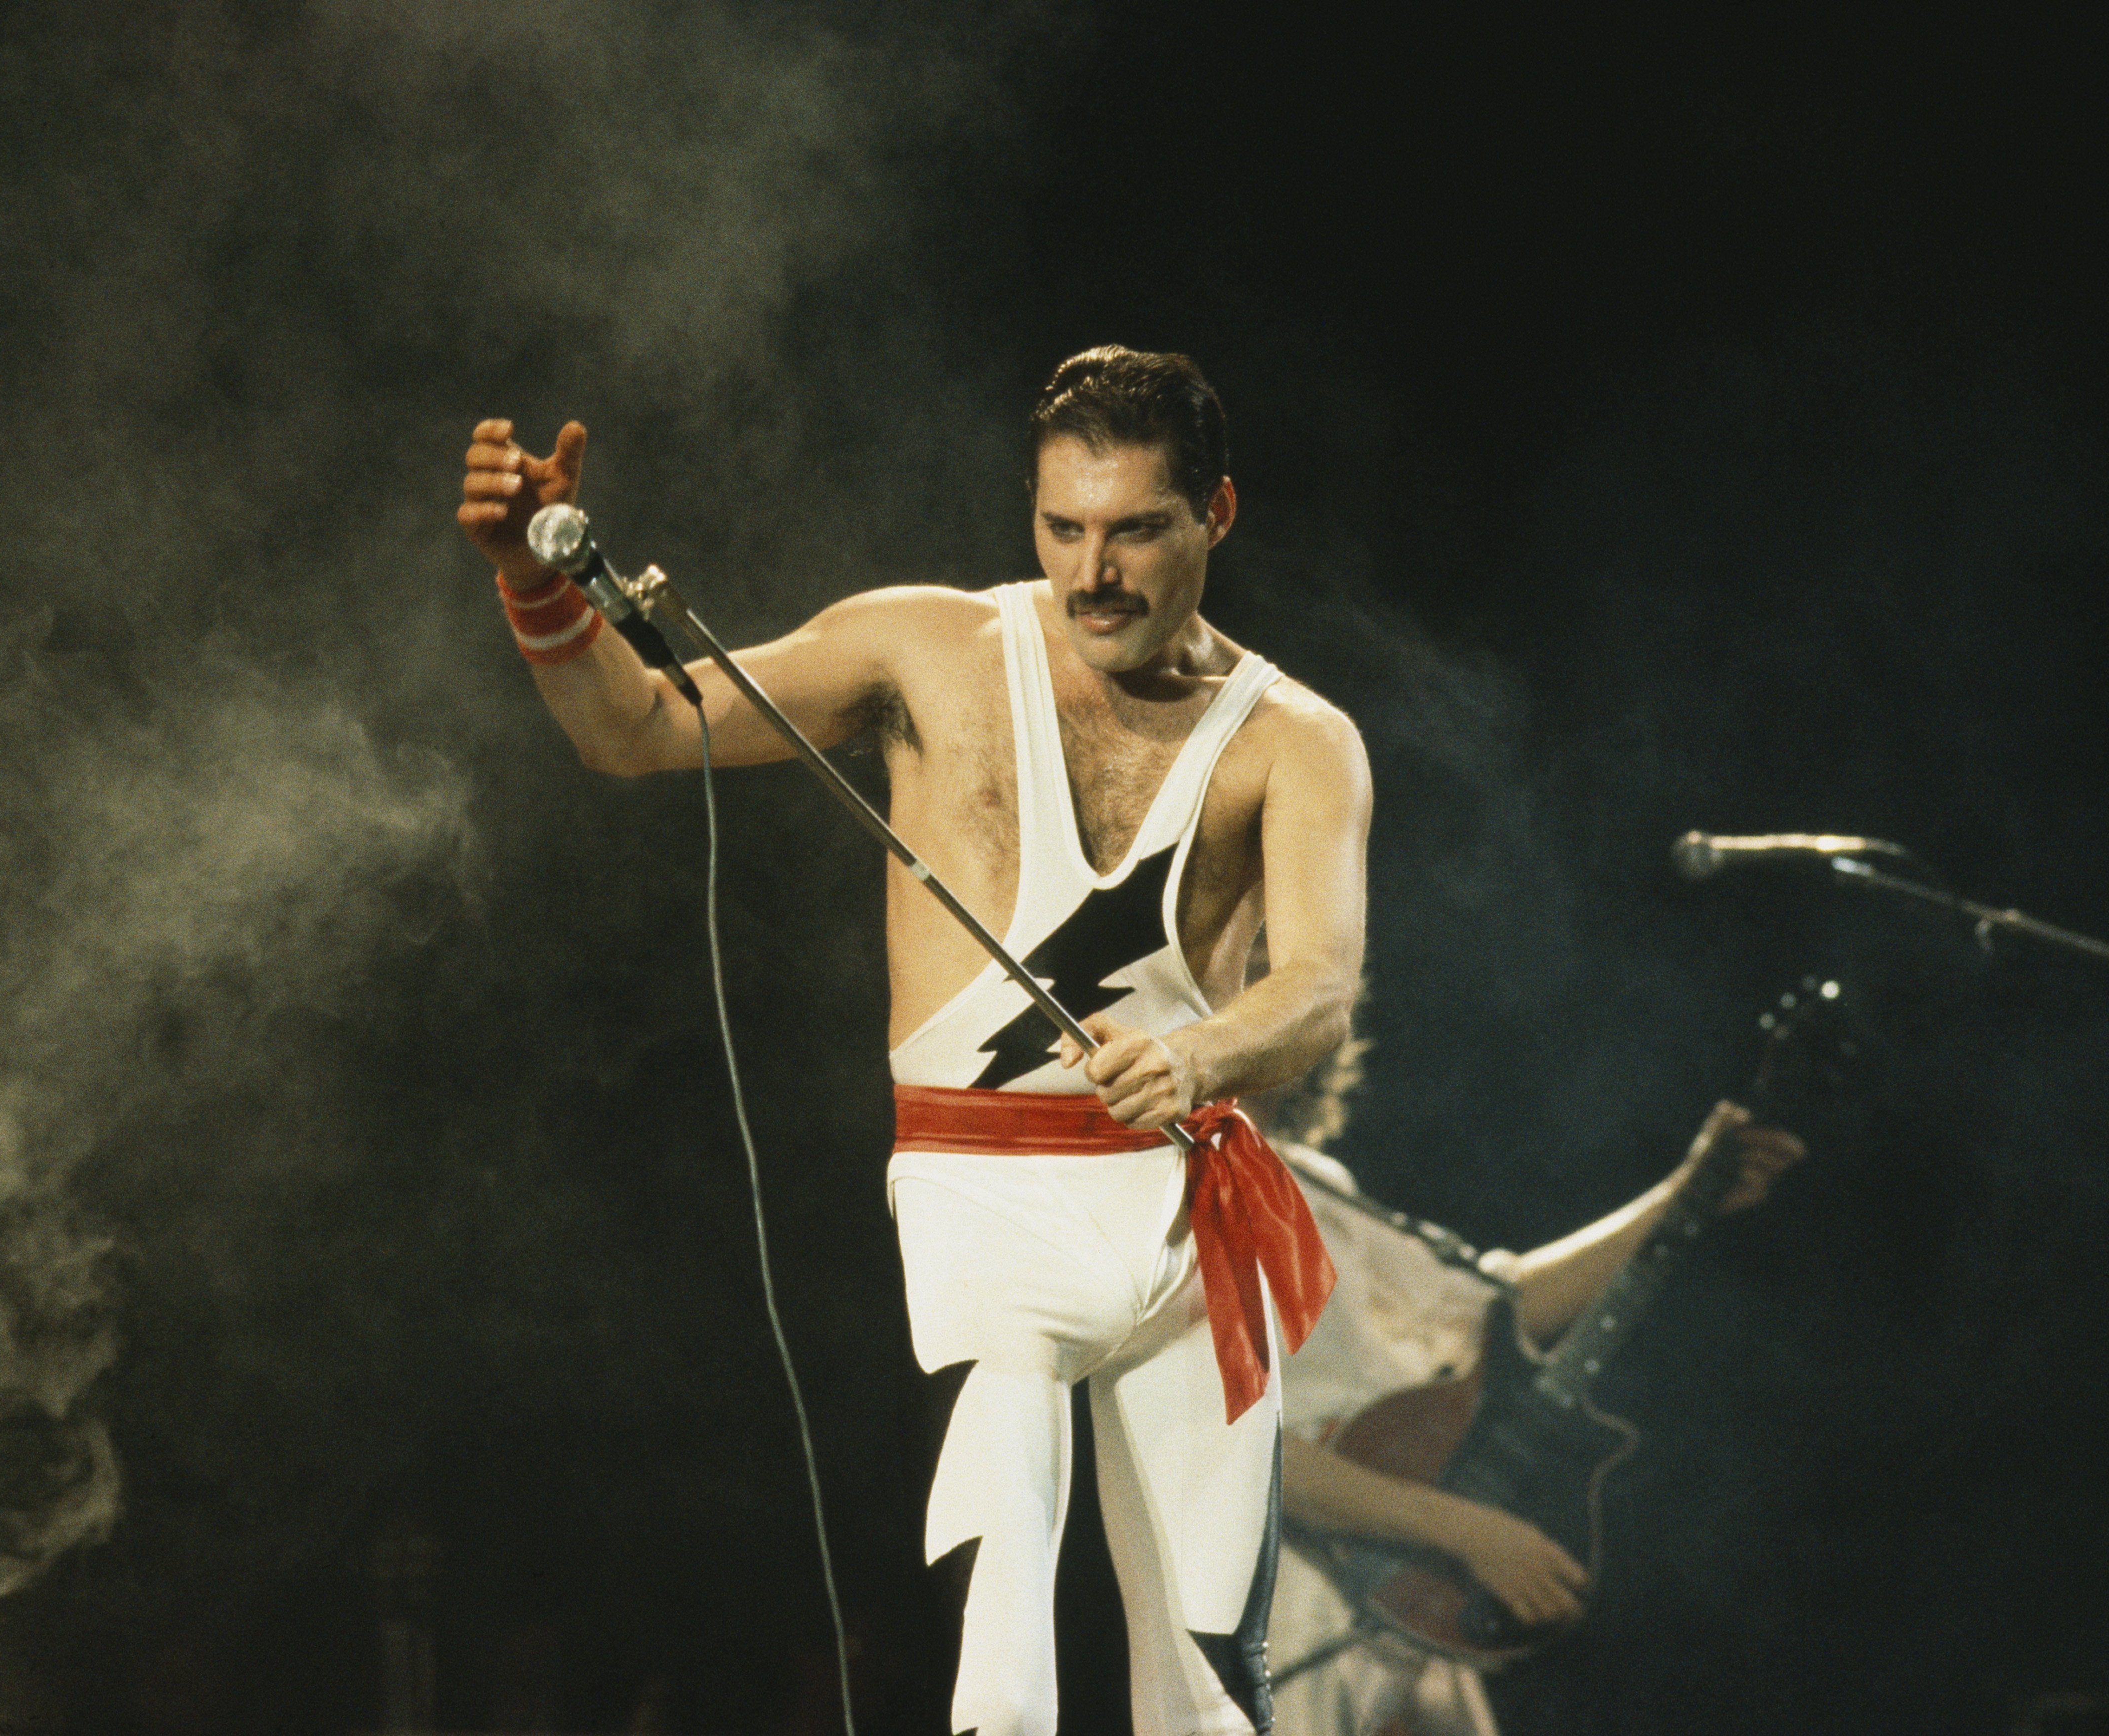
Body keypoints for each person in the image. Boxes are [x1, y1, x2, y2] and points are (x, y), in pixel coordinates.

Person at [457, 348, 1372, 1736]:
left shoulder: (1297, 740)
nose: (1094, 572)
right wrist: (534, 584)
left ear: (1217, 516)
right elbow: (634, 731)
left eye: (1133, 531)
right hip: (984, 1205)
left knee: (1210, 1698)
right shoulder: (923, 648)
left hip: (1184, 1219)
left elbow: (1318, 991)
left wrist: (1198, 1057)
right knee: (998, 1688)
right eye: (1064, 529)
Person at [1259, 1057, 1804, 1736]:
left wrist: (1681, 1195)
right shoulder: (1173, 1187)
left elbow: (1489, 1306)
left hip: (1389, 1606)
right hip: (1271, 1613)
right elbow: (1235, 1451)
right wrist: (1465, 1529)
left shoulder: (1317, 1184)